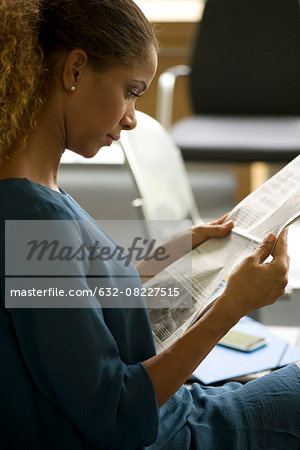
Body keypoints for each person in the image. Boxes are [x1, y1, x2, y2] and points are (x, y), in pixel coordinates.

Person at [0, 0, 299, 449]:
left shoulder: (29, 195)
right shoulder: (35, 216)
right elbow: (116, 415)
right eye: (131, 91)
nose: (131, 118)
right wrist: (231, 308)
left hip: (167, 412)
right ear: (75, 70)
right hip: (164, 432)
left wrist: (173, 250)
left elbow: (73, 305)